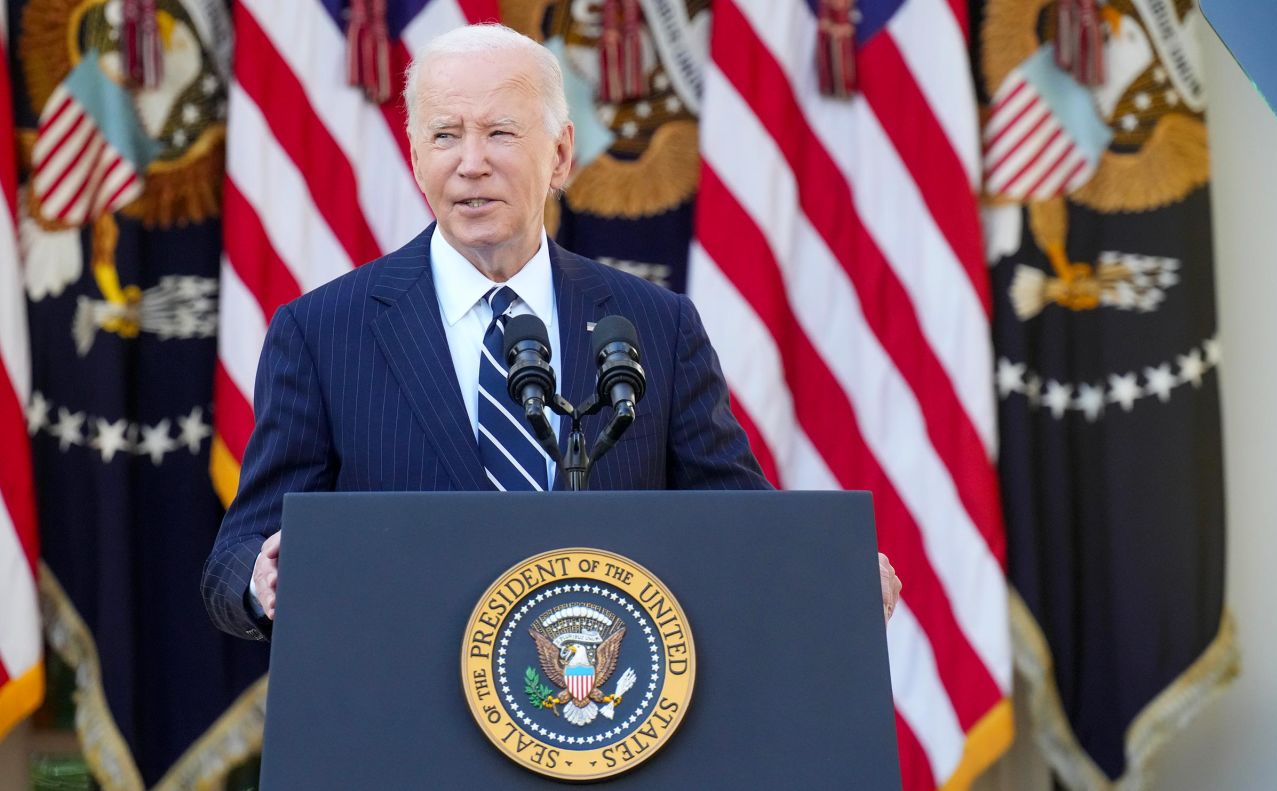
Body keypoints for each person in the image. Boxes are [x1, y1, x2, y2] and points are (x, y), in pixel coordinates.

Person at [201, 24, 901, 642]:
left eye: (500, 132)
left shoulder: (655, 327)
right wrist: (261, 583)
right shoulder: (323, 334)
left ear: (561, 154)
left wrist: (827, 571)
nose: (470, 162)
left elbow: (736, 525)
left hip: (601, 720)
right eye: (445, 135)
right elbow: (240, 551)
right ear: (416, 158)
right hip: (405, 730)